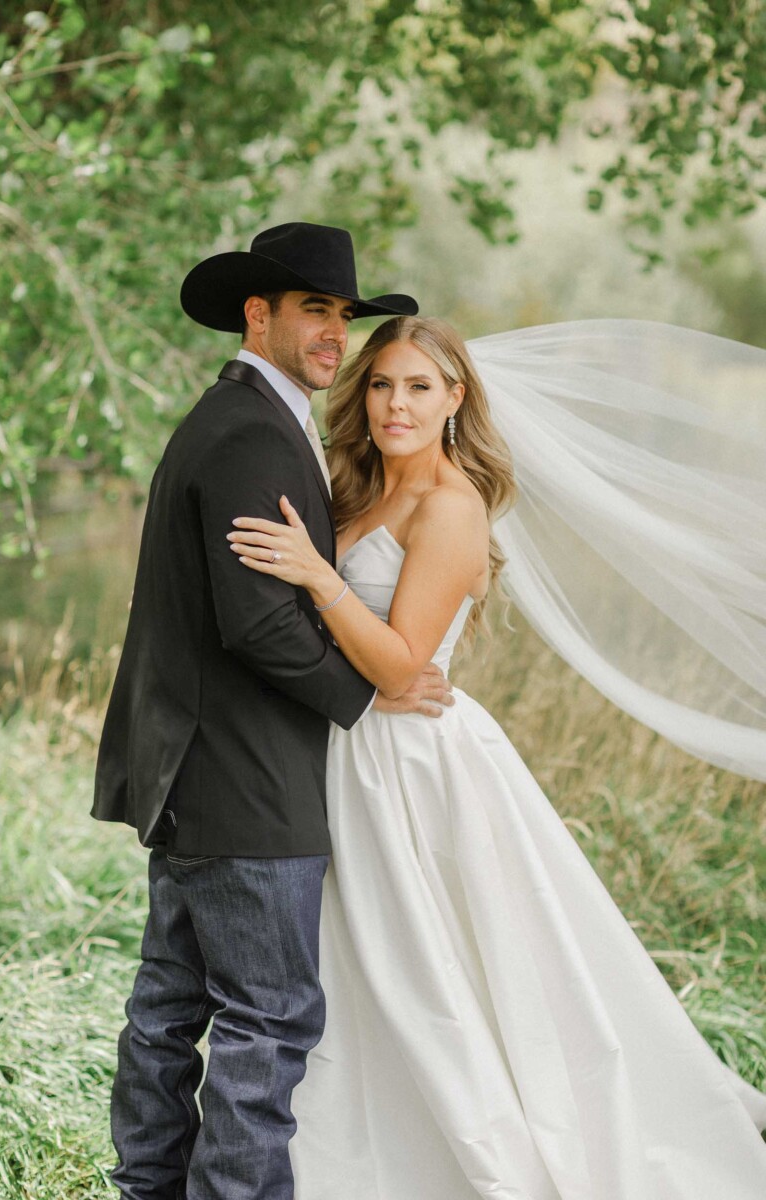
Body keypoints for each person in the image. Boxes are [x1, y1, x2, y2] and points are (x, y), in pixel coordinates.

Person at [227, 314, 766, 1199]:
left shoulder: (452, 506)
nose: (395, 405)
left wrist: (318, 578)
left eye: (418, 387)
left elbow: (403, 662)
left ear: (455, 398)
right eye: (381, 384)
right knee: (350, 965)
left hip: (412, 764)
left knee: (429, 967)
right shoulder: (350, 487)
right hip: (339, 750)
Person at [91, 223, 455, 1200]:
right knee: (269, 1017)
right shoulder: (253, 430)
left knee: (169, 1008)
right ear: (258, 315)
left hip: (197, 772)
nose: (335, 333)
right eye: (314, 310)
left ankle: (146, 1189)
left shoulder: (238, 417)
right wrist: (369, 692)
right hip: (245, 782)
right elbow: (256, 624)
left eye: (343, 315)